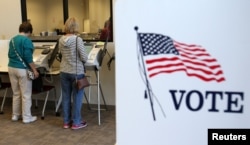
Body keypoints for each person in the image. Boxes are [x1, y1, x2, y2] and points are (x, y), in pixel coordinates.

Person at [59, 17, 88, 130]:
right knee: (77, 98)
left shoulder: (61, 39)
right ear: (75, 27)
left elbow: (61, 54)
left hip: (64, 72)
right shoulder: (77, 40)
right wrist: (85, 60)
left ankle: (66, 122)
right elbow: (84, 57)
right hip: (76, 73)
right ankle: (76, 122)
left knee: (66, 97)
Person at [8, 22, 39, 123]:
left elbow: (9, 54)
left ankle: (15, 115)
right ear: (29, 31)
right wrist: (34, 70)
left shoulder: (13, 39)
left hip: (11, 68)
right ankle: (26, 117)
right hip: (22, 69)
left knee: (16, 93)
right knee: (26, 94)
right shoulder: (27, 40)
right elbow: (28, 57)